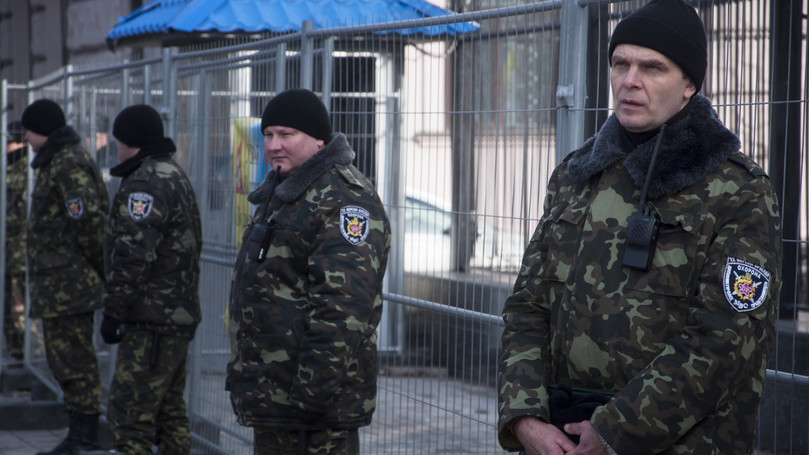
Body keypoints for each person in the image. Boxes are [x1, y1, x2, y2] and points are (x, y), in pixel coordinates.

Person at [497, 1, 783, 455]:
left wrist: (614, 432)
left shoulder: (737, 191)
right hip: (558, 437)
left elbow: (723, 343)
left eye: (652, 68)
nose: (630, 81)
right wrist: (525, 417)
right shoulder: (576, 176)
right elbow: (527, 308)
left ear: (689, 84)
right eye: (620, 64)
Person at [226, 88, 392, 455]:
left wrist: (311, 397)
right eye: (268, 135)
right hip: (277, 402)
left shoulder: (344, 199)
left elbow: (341, 310)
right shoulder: (287, 191)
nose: (274, 145)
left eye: (287, 134)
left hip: (312, 414)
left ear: (318, 140)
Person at [99, 104, 202, 455]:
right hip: (172, 318)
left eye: (117, 140)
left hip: (151, 322)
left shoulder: (145, 182)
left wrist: (113, 312)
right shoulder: (172, 173)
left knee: (130, 418)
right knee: (169, 414)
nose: (115, 146)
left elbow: (133, 256)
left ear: (130, 142)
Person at [23, 99, 108, 455]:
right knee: (65, 362)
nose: (25, 139)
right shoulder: (57, 160)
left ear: (42, 129)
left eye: (28, 131)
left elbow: (89, 223)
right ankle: (77, 435)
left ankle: (84, 439)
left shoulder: (67, 162)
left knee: (75, 363)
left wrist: (102, 270)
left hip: (70, 286)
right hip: (60, 286)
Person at [3, 121, 27, 360]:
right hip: (9, 253)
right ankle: (15, 351)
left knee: (20, 306)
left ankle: (28, 354)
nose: (7, 147)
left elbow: (22, 213)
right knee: (9, 305)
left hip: (21, 253)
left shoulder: (27, 169)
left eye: (10, 142)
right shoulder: (8, 167)